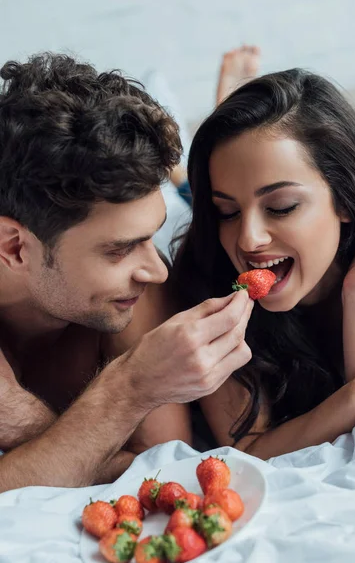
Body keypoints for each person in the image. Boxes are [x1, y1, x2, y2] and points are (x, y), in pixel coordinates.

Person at [0, 52, 253, 492]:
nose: (155, 271)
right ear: (14, 247)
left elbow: (161, 474)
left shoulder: (137, 293)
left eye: (147, 238)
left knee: (201, 215)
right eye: (119, 249)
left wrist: (38, 429)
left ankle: (188, 173)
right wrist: (130, 389)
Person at [171, 63, 355, 459]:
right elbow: (246, 450)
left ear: (345, 197)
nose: (247, 239)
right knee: (189, 194)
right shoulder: (206, 282)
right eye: (227, 212)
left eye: (281, 206)